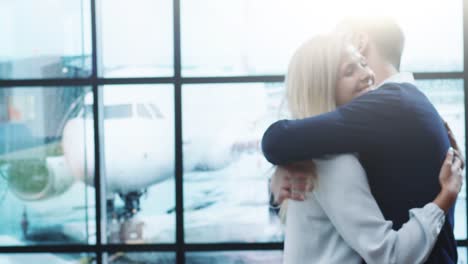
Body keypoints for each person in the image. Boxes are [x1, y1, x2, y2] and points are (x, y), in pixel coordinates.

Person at [262, 18, 462, 263]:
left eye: (363, 63)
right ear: (324, 86)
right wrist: (445, 198)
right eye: (348, 71)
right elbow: (390, 255)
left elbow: (280, 140)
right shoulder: (334, 159)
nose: (367, 75)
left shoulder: (325, 151)